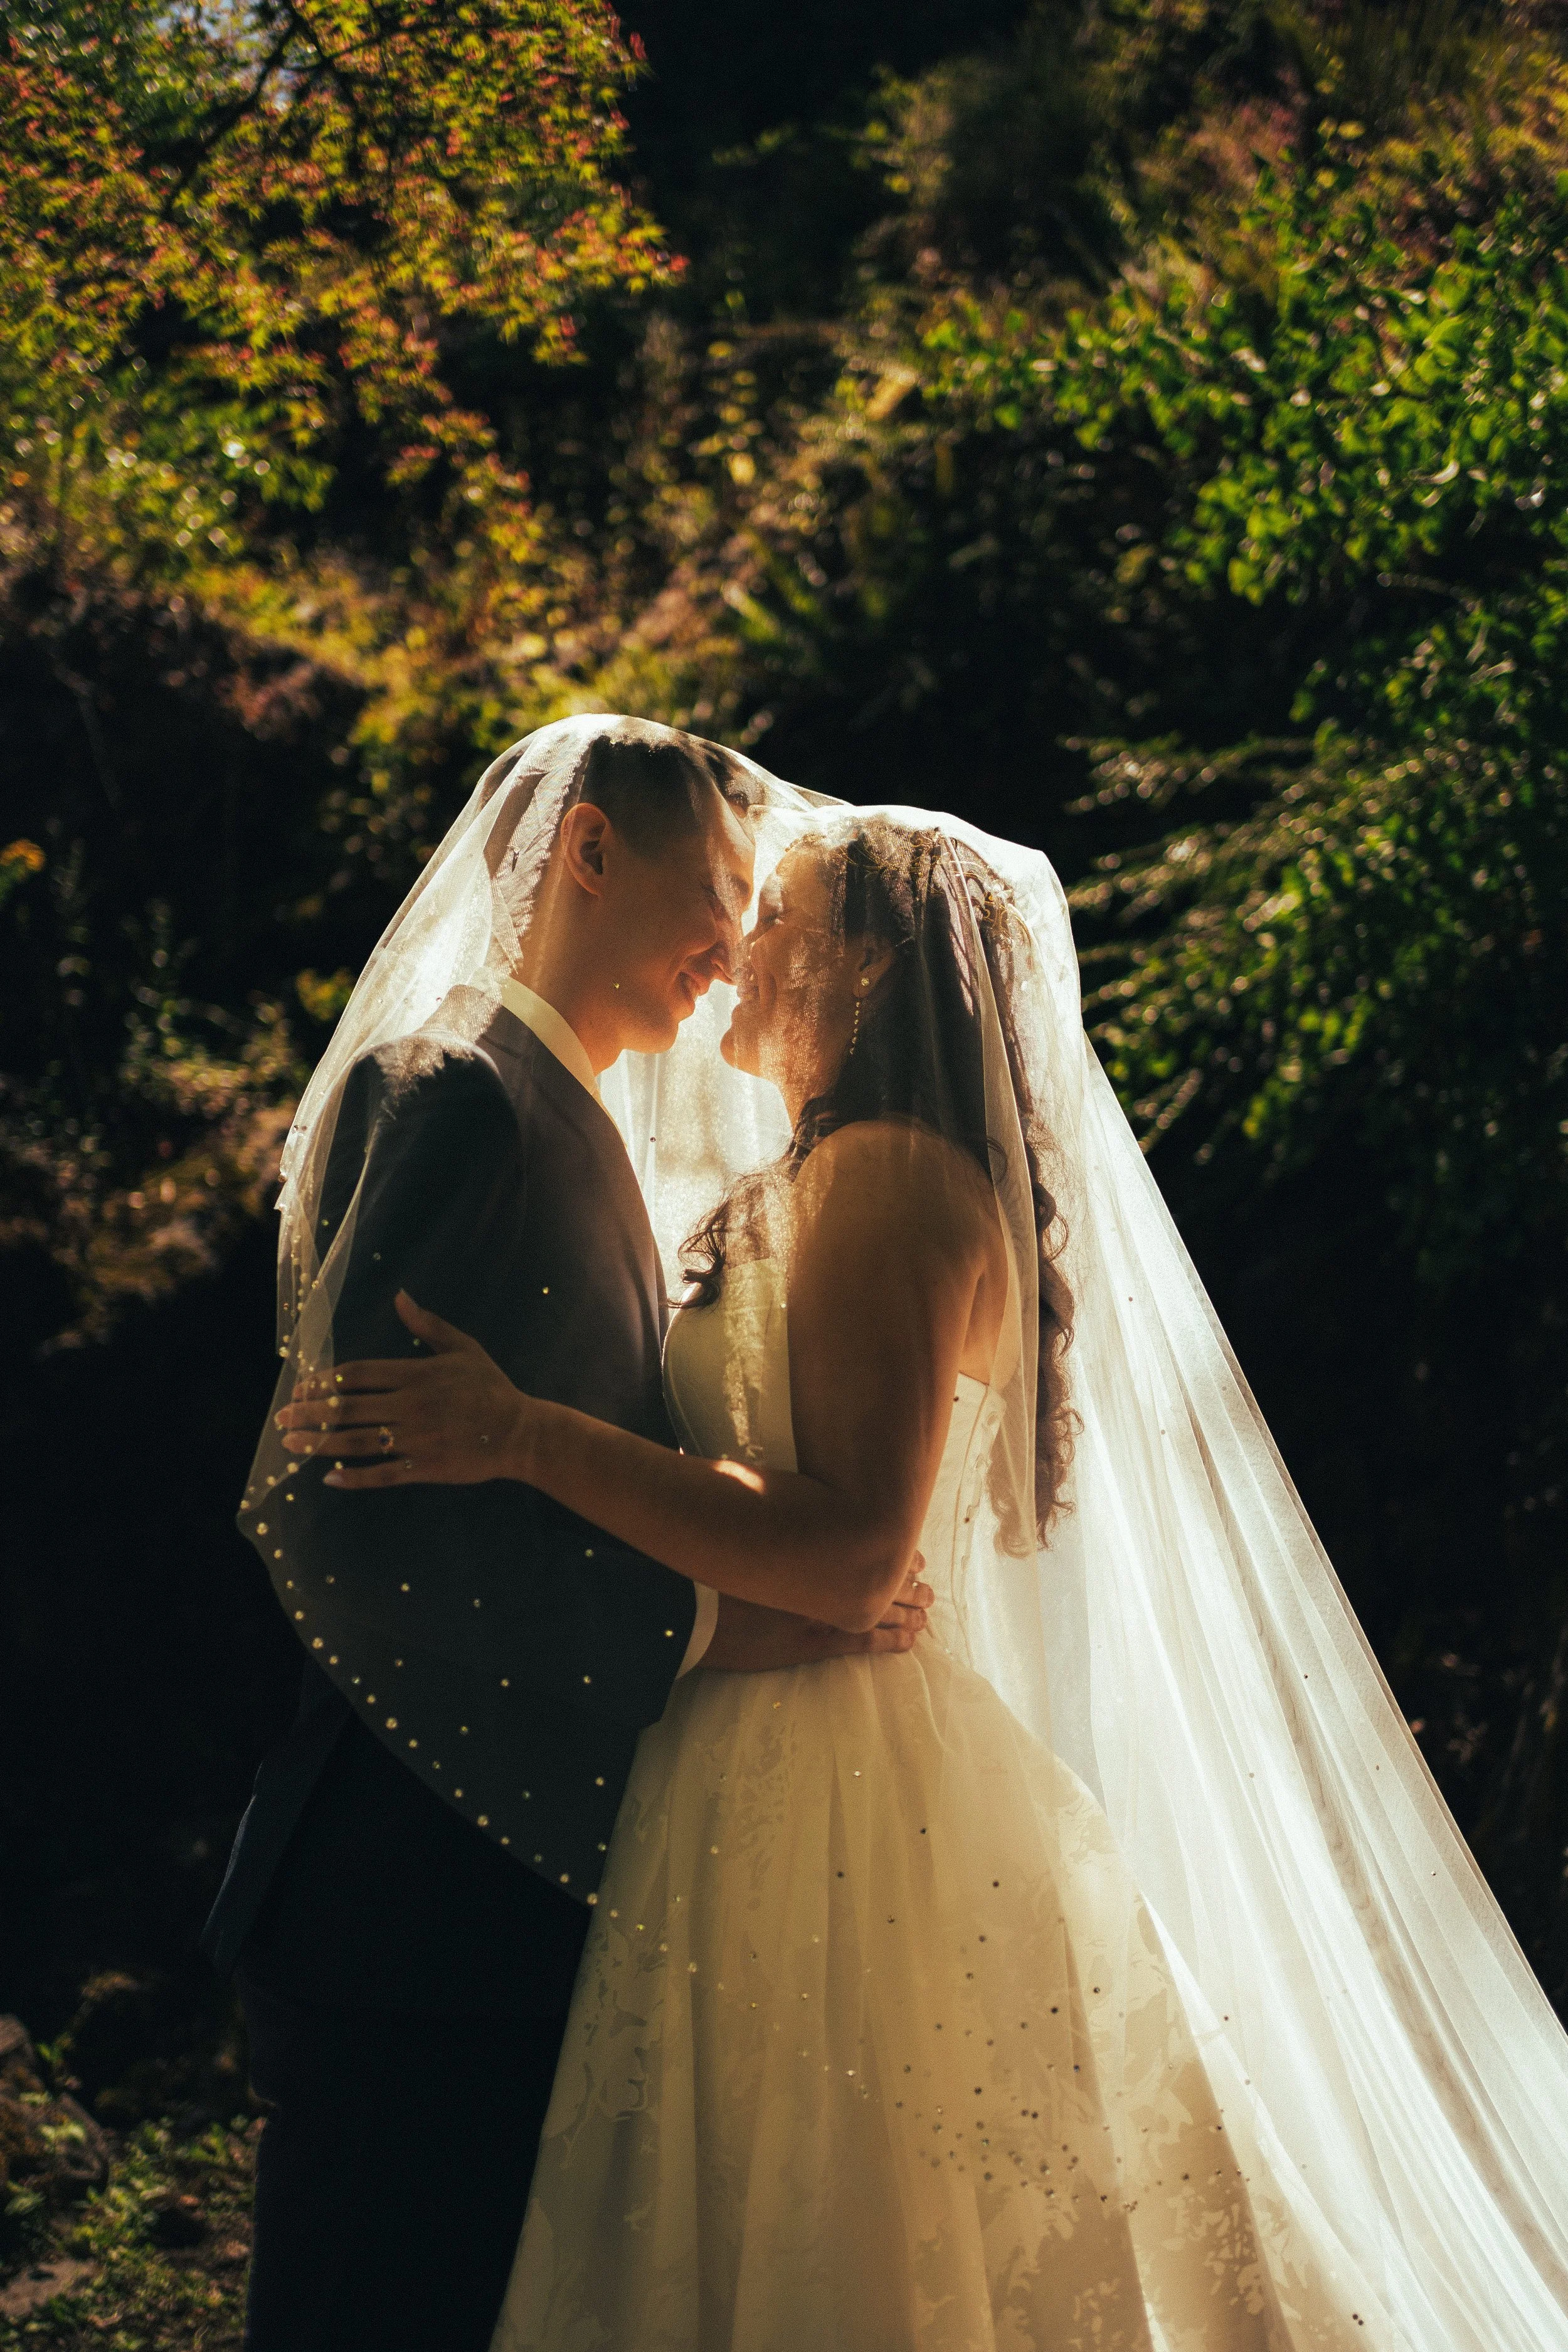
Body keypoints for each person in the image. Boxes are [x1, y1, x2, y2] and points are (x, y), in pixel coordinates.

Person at [292, 756, 1568, 2351]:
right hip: (764, 1766)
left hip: (834, 1797)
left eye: (781, 924)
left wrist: (530, 1436)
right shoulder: (838, 1174)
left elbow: (845, 1555)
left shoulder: (885, 1182)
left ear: (872, 966)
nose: (741, 949)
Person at [204, 719, 930, 2352]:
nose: (741, 946)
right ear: (589, 851)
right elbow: (341, 1520)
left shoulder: (550, 1104)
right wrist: (727, 1625)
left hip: (488, 1917)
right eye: (721, 889)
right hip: (412, 1919)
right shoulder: (460, 1092)